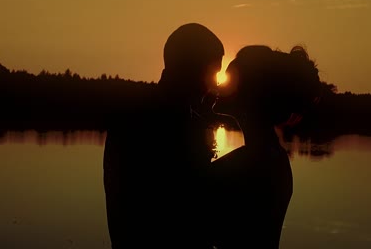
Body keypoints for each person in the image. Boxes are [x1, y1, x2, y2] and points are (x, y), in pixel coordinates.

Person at [103, 23, 224, 248]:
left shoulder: (130, 118)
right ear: (194, 70)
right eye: (214, 72)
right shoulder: (172, 125)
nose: (215, 84)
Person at [209, 45, 321, 248]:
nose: (219, 85)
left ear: (251, 92)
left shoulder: (254, 164)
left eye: (229, 79)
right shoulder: (271, 157)